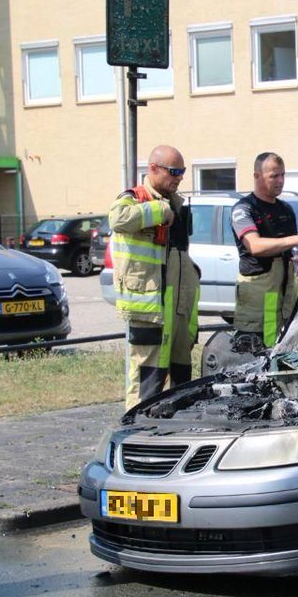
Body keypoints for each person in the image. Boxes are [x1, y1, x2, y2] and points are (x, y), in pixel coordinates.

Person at [109, 145, 200, 409]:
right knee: (147, 379)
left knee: (181, 376)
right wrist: (160, 211)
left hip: (178, 308)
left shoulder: (179, 204)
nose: (179, 177)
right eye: (174, 171)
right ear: (153, 169)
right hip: (150, 309)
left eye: (182, 172)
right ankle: (136, 429)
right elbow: (117, 218)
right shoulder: (134, 198)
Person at [229, 152, 298, 347]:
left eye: (283, 175)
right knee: (252, 358)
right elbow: (255, 246)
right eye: (274, 176)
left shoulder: (286, 210)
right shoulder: (244, 209)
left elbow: (291, 251)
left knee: (284, 352)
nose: (280, 181)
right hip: (258, 299)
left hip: (285, 298)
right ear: (257, 176)